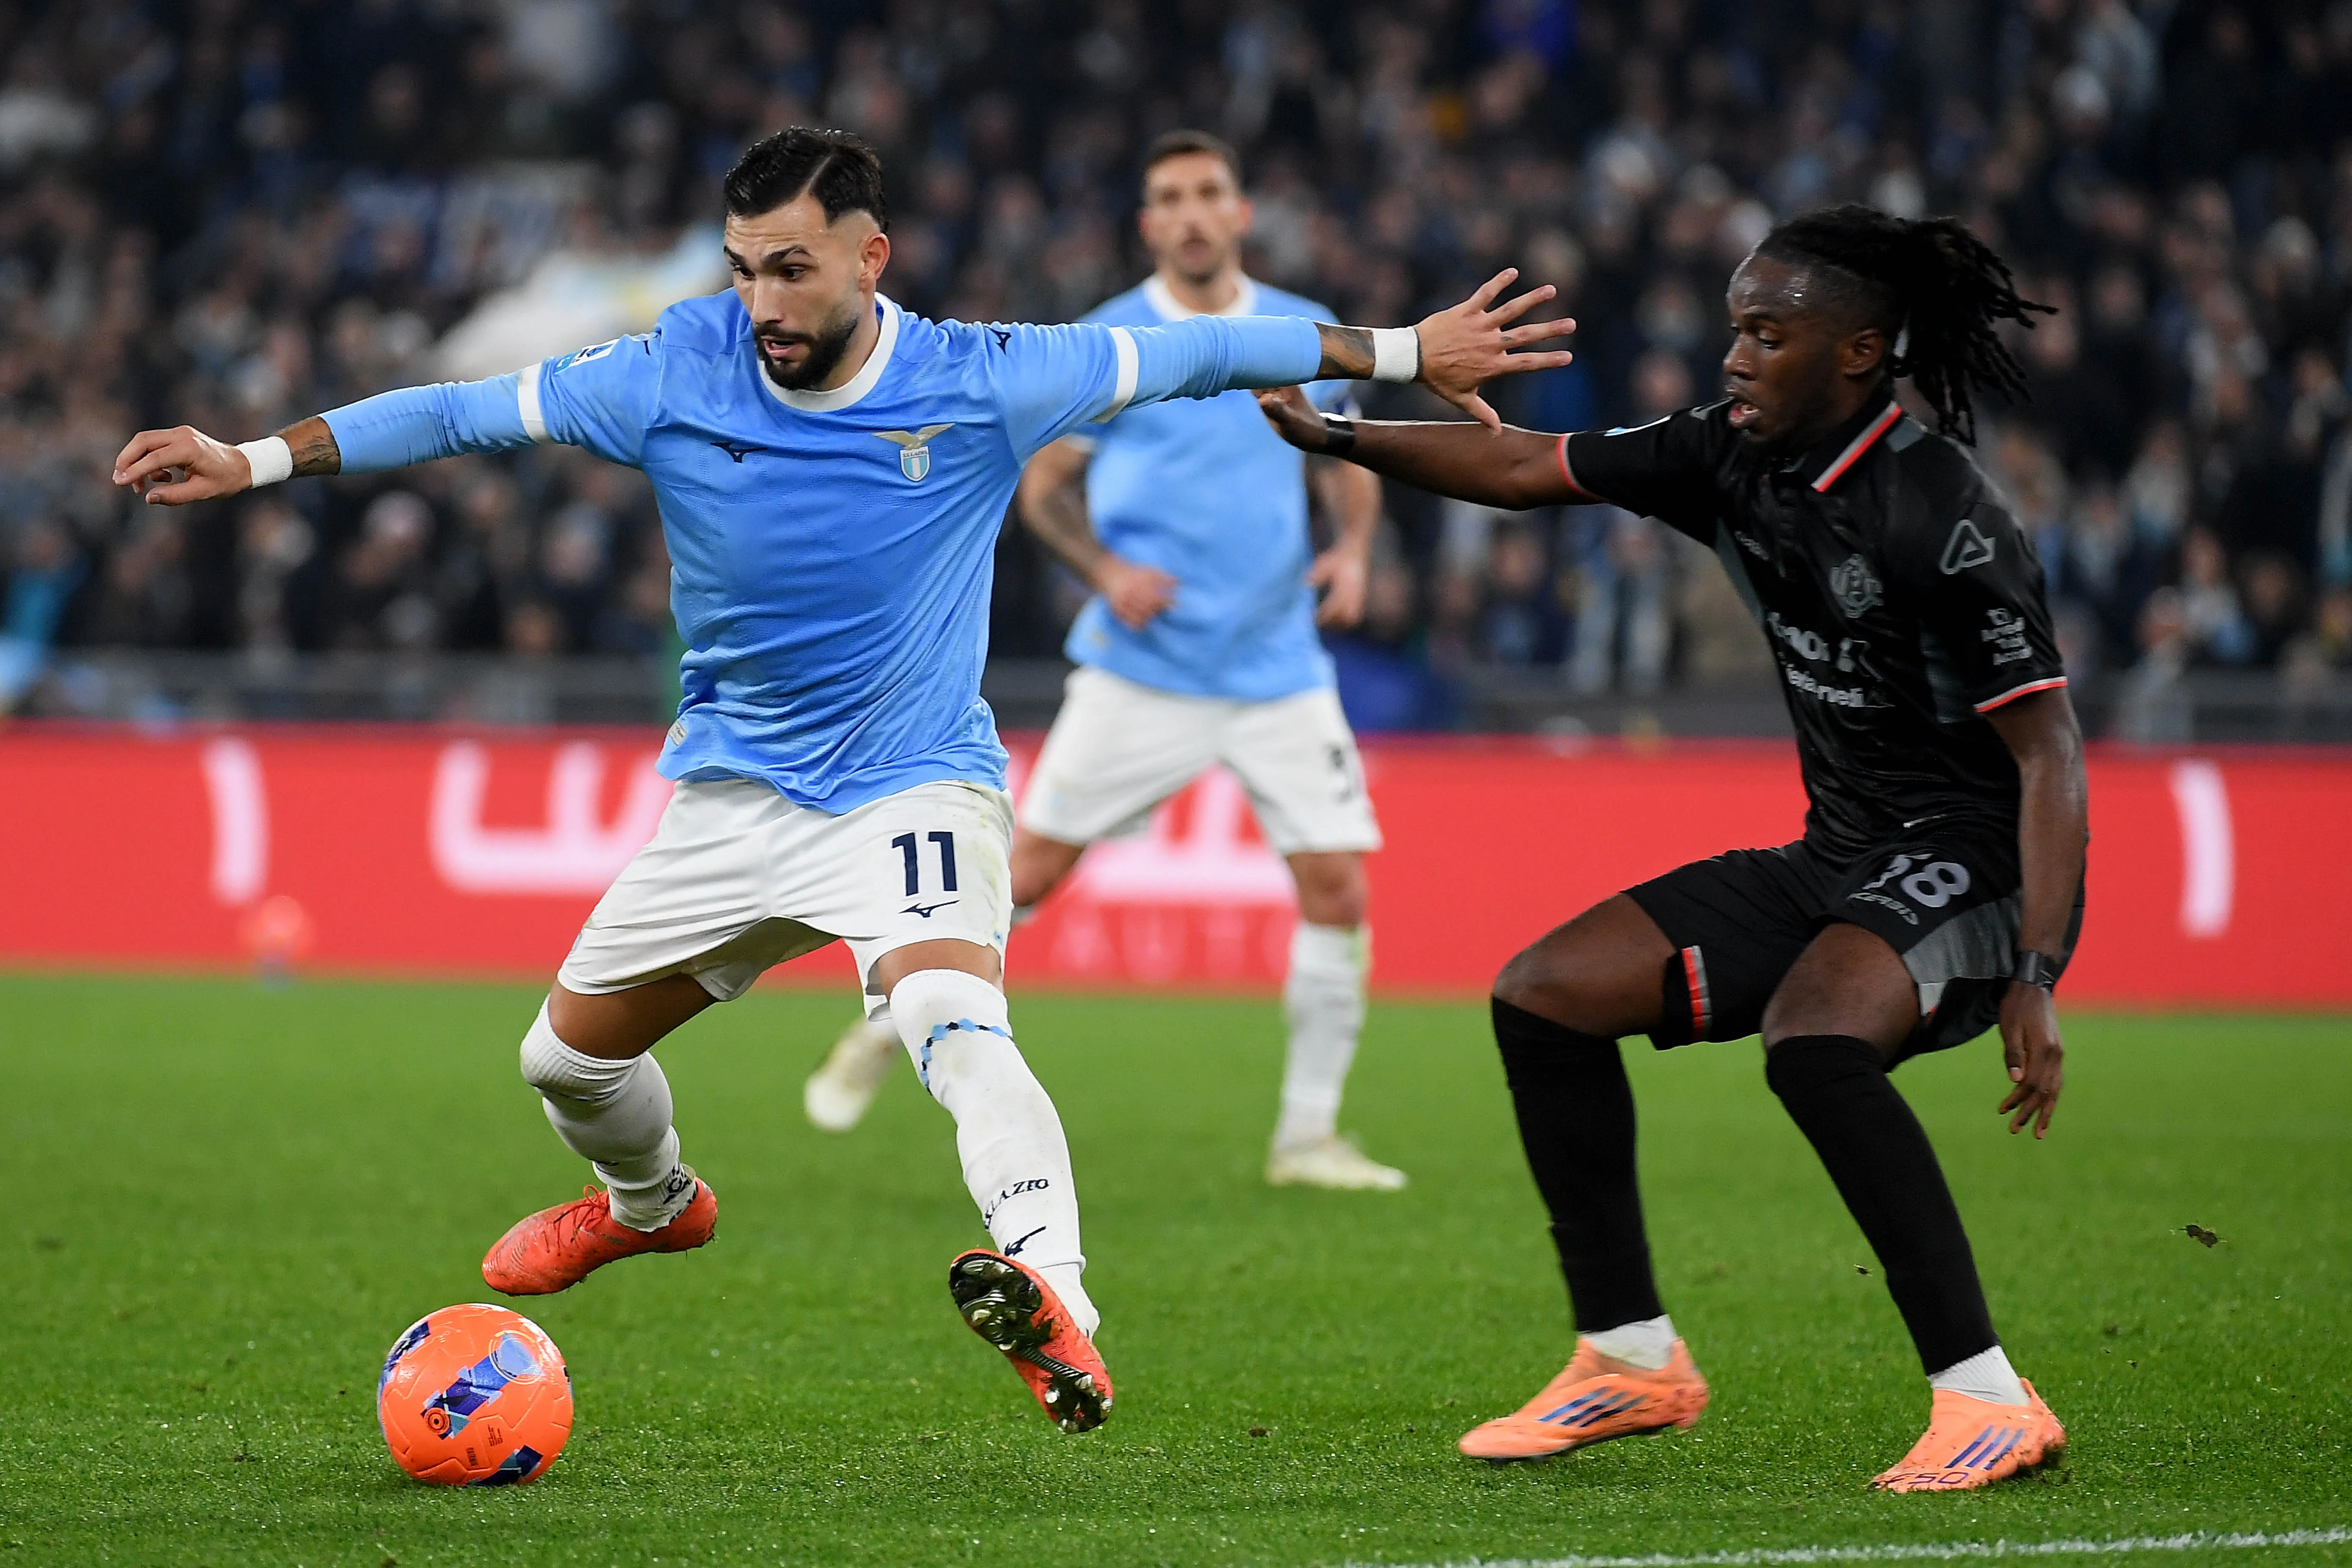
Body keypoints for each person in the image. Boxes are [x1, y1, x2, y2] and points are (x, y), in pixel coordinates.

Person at [110, 127, 1571, 1434]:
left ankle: (1053, 1292)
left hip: (908, 791)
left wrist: (1393, 353)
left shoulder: (985, 379)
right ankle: (650, 1205)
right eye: (745, 271)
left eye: (793, 271)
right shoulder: (671, 369)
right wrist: (250, 461)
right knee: (562, 1063)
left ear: (871, 259)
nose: (764, 307)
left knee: (947, 1009)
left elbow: (1199, 353)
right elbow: (458, 412)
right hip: (731, 800)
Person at [1256, 204, 2086, 1491]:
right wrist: (1338, 437)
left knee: (1813, 1044)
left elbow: (2049, 753)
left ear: (1861, 352)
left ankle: (1986, 1399)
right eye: (1734, 331)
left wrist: (2037, 970)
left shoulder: (1944, 513)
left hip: (1971, 865)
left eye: (1768, 336)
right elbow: (1533, 468)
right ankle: (1629, 1359)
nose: (1735, 360)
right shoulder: (1726, 457)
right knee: (1544, 997)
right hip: (1840, 856)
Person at [802, 130, 1404, 1192]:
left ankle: (1307, 1134)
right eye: (1169, 197)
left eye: (1209, 192)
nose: (1192, 213)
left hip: (1277, 665)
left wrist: (1351, 550)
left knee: (1337, 886)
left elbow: (1349, 455)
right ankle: (888, 1026)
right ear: (1148, 224)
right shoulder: (1108, 342)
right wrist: (1105, 567)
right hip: (1141, 667)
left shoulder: (1294, 329)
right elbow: (1044, 489)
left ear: (1241, 212)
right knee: (1026, 874)